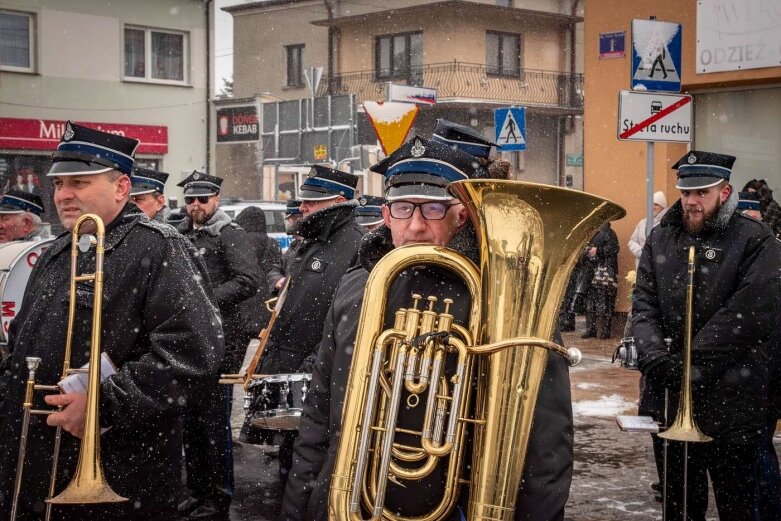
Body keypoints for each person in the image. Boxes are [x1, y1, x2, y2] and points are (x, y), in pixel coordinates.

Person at [280, 135, 574, 521]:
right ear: (386, 215)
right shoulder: (357, 284)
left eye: (433, 208)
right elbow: (320, 415)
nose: (416, 226)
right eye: (403, 208)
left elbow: (545, 442)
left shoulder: (505, 297)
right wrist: (299, 508)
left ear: (461, 215)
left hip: (454, 507)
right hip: (352, 503)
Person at [0, 121, 223, 520]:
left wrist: (104, 406)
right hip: (37, 463)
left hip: (121, 472)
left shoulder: (159, 246)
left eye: (80, 183)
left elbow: (193, 354)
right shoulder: (58, 250)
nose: (63, 195)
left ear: (121, 187)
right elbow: (22, 342)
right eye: (58, 184)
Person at [633, 150, 781, 521]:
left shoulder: (755, 239)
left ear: (725, 191)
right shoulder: (661, 236)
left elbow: (748, 314)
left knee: (737, 505)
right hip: (669, 398)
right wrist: (653, 356)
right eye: (685, 193)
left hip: (733, 400)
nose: (691, 202)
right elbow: (644, 305)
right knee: (679, 507)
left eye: (702, 193)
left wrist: (690, 363)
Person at [257, 165, 363, 493]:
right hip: (295, 369)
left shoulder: (356, 244)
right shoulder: (314, 242)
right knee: (291, 460)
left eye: (312, 202)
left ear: (340, 200)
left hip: (319, 375)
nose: (302, 208)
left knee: (315, 466)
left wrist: (313, 365)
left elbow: (347, 319)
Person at [176, 171, 259, 519]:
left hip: (220, 341)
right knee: (190, 424)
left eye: (203, 199)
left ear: (216, 200)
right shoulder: (178, 234)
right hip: (186, 341)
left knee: (213, 425)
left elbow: (249, 280)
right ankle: (196, 491)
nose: (196, 205)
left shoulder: (229, 234)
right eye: (191, 199)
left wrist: (203, 299)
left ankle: (218, 497)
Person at [581, 222, 619, 339]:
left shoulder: (610, 233)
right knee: (590, 302)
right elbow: (583, 249)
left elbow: (614, 249)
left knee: (606, 302)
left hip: (605, 274)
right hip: (591, 272)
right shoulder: (592, 232)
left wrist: (598, 251)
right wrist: (587, 251)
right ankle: (590, 329)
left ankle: (605, 331)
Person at [267, 199, 303, 290]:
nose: (288, 224)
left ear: (297, 220)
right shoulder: (294, 245)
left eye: (289, 220)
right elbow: (275, 268)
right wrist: (277, 280)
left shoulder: (308, 245)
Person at [628, 190, 667, 268]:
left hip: (658, 266)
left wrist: (654, 255)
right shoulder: (642, 223)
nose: (653, 207)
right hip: (641, 265)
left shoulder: (666, 223)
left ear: (662, 207)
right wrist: (641, 252)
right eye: (651, 204)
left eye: (656, 204)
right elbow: (632, 241)